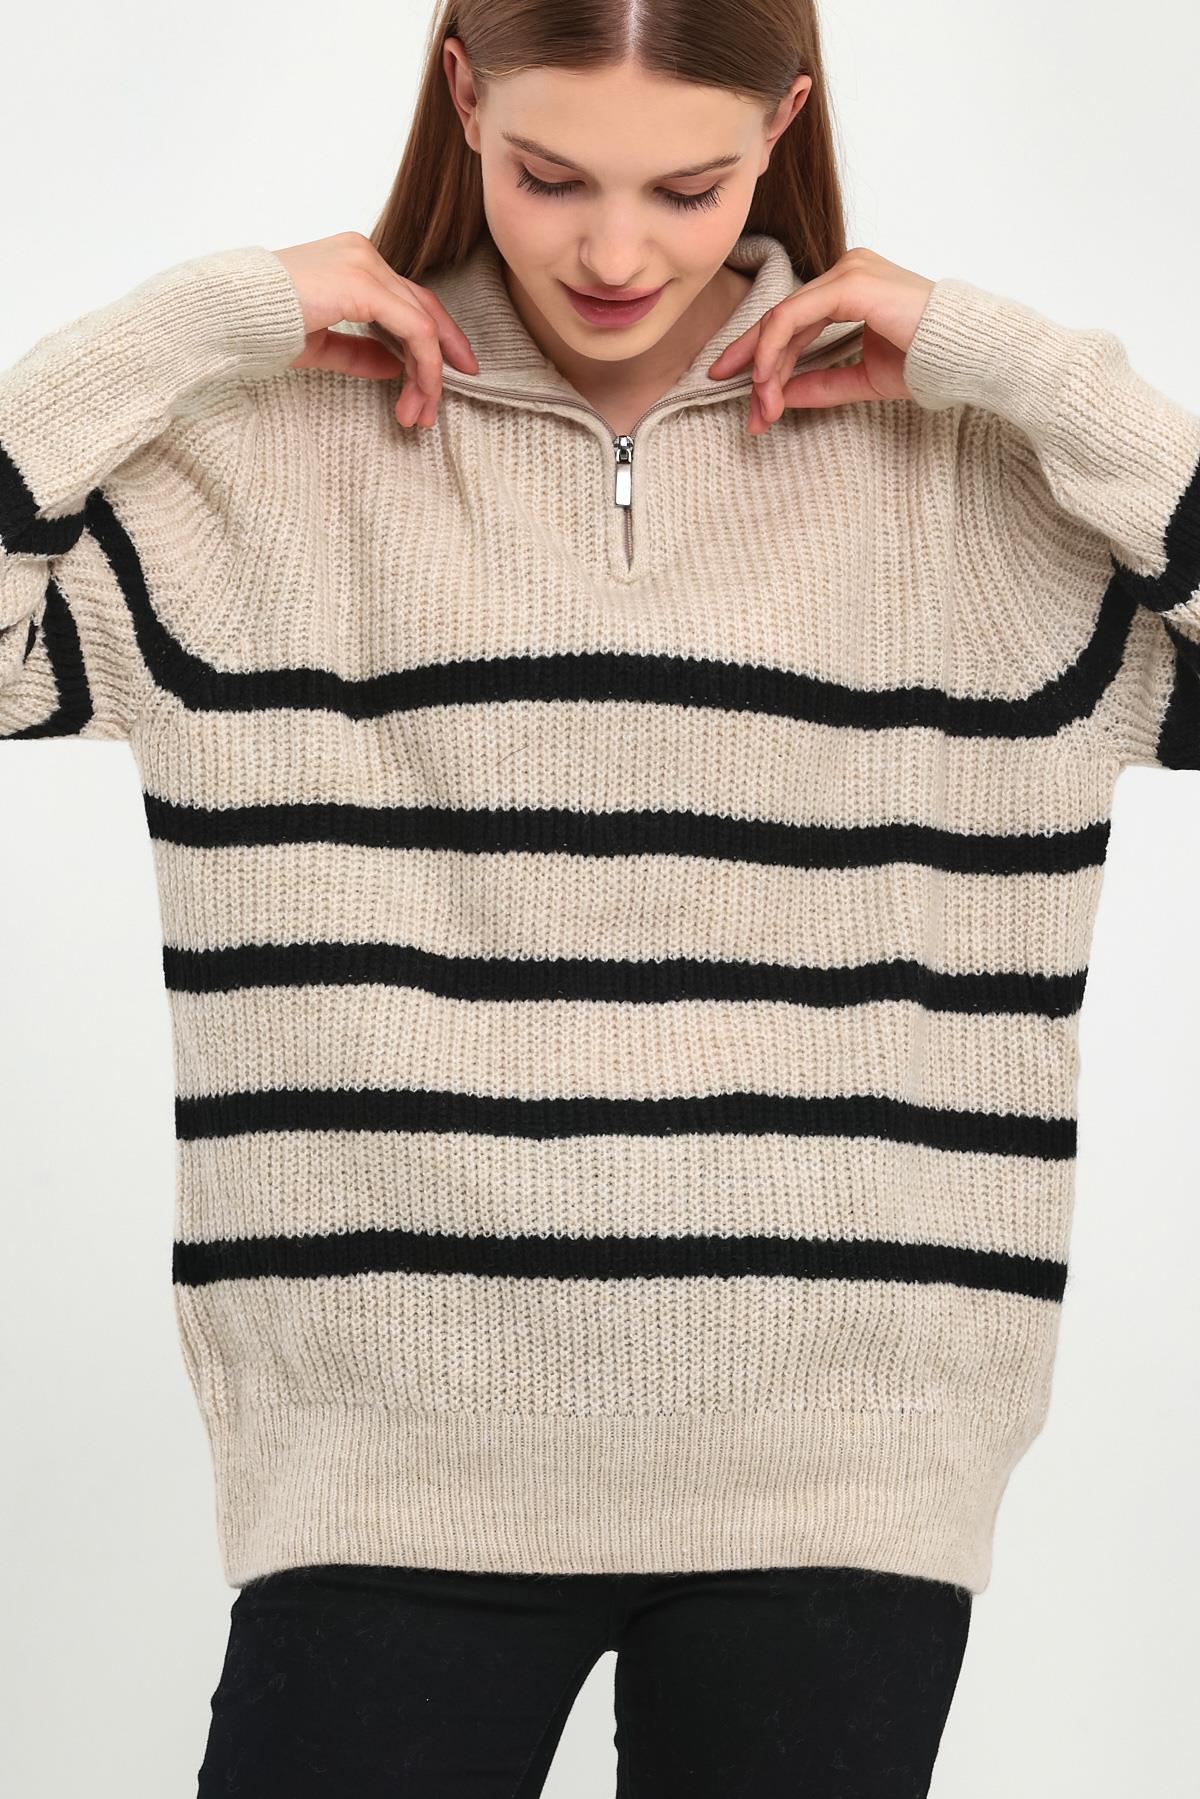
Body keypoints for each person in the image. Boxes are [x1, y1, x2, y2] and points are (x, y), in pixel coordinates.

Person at [2, 2, 1196, 1794]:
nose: (616, 254)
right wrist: (197, 323)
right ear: (463, 94)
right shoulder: (260, 460)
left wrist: (1024, 371)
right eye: (551, 176)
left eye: (689, 189)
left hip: (841, 1476)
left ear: (783, 126)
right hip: (388, 1468)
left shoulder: (976, 485)